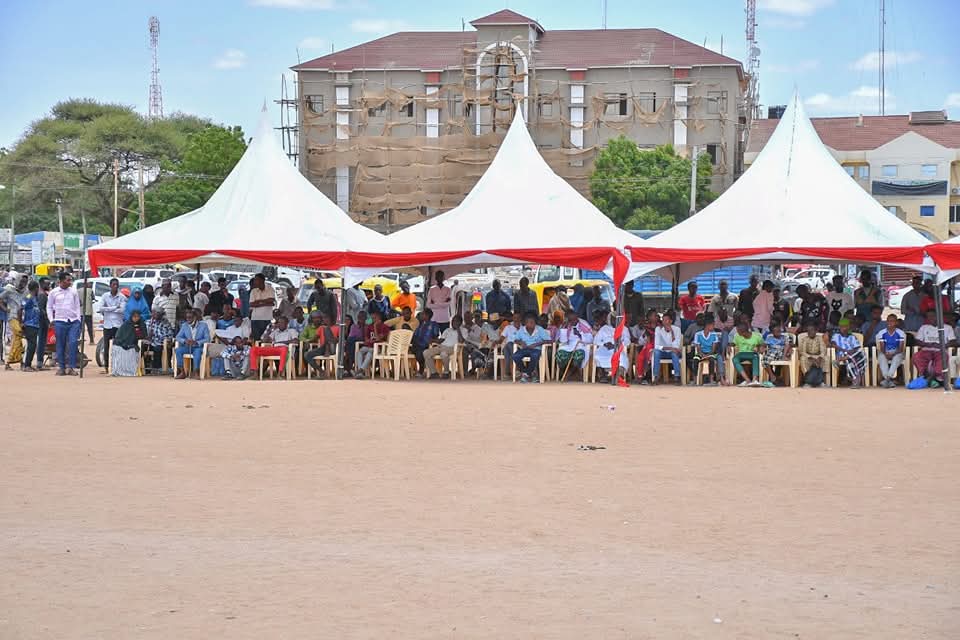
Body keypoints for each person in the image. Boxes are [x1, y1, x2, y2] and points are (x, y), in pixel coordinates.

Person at [47, 272, 82, 376]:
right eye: (68, 280)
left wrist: (78, 319)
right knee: (60, 344)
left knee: (72, 343)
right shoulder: (53, 292)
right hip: (59, 321)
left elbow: (77, 306)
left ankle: (71, 367)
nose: (70, 282)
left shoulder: (73, 292)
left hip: (73, 321)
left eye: (70, 280)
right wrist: (51, 320)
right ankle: (61, 367)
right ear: (61, 281)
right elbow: (49, 307)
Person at [912, 309, 957, 387]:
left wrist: (942, 345)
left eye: (933, 316)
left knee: (943, 357)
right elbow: (917, 341)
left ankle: (936, 378)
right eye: (928, 316)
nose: (930, 318)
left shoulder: (947, 327)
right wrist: (928, 344)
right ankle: (925, 375)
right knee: (917, 356)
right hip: (927, 349)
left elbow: (953, 341)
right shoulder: (924, 327)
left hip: (940, 350)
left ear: (938, 316)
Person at [511, 312, 551, 383]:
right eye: (530, 323)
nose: (533, 324)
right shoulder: (522, 330)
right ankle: (530, 373)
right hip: (525, 349)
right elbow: (515, 339)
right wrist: (521, 342)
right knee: (515, 356)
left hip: (536, 349)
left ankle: (526, 374)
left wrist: (536, 344)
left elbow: (549, 340)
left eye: (533, 322)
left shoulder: (539, 329)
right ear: (526, 323)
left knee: (535, 356)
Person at [422, 313, 464, 379]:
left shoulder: (463, 330)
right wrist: (432, 340)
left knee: (443, 354)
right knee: (426, 352)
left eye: (455, 321)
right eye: (452, 321)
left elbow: (461, 341)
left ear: (460, 322)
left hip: (453, 348)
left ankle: (446, 372)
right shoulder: (447, 330)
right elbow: (440, 340)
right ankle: (434, 373)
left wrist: (458, 329)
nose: (453, 323)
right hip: (441, 346)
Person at [99, 278, 127, 372]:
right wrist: (115, 307)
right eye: (113, 284)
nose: (115, 286)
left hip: (118, 325)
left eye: (116, 285)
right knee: (106, 346)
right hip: (107, 325)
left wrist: (108, 308)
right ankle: (106, 366)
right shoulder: (105, 296)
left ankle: (117, 366)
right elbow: (101, 308)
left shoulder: (122, 297)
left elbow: (122, 310)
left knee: (117, 346)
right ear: (110, 285)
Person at [174, 309, 210, 379]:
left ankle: (196, 372)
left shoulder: (203, 325)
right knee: (178, 350)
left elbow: (207, 338)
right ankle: (182, 372)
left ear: (195, 317)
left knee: (197, 353)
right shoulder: (184, 325)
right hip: (188, 347)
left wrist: (197, 342)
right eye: (187, 318)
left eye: (190, 317)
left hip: (198, 347)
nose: (188, 319)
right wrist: (185, 341)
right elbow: (177, 337)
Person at [593, 312, 629, 384]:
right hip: (605, 348)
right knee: (598, 355)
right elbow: (596, 340)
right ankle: (603, 375)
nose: (614, 321)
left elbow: (627, 341)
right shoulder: (604, 328)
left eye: (616, 319)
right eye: (612, 319)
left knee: (621, 357)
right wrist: (604, 344)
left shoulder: (624, 329)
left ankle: (619, 375)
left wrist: (617, 344)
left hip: (618, 349)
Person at [555, 310, 593, 379]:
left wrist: (580, 334)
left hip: (581, 345)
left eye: (575, 320)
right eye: (571, 320)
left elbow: (590, 339)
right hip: (568, 345)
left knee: (578, 356)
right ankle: (564, 372)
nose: (574, 322)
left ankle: (570, 373)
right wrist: (564, 329)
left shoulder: (583, 324)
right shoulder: (565, 325)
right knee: (560, 355)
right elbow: (563, 341)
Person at [110, 309, 148, 376]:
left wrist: (138, 334)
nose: (136, 318)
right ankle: (121, 370)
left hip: (136, 343)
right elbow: (120, 335)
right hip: (123, 343)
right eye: (134, 317)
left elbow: (144, 335)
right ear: (131, 317)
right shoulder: (126, 324)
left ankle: (131, 370)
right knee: (118, 349)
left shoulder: (142, 324)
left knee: (133, 350)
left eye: (138, 317)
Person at [0, 275, 26, 370]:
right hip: (12, 316)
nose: (22, 284)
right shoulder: (9, 291)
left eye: (24, 282)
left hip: (22, 318)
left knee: (17, 339)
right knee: (18, 333)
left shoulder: (25, 292)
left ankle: (16, 361)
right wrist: (5, 309)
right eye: (21, 281)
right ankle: (14, 361)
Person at [355, 310, 390, 378]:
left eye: (374, 318)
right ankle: (360, 371)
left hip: (378, 348)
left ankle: (360, 371)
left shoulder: (384, 327)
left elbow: (379, 339)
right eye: (372, 318)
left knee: (370, 353)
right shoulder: (369, 326)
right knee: (359, 352)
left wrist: (375, 327)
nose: (373, 320)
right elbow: (366, 338)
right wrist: (369, 340)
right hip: (369, 345)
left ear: (379, 319)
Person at [832, 318, 866, 387]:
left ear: (848, 327)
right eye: (842, 326)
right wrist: (845, 351)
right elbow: (833, 345)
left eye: (845, 326)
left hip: (853, 355)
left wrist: (850, 352)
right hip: (842, 354)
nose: (843, 328)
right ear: (839, 327)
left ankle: (854, 380)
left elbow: (857, 348)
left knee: (860, 352)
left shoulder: (852, 337)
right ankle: (856, 380)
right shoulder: (836, 336)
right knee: (849, 359)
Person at [652, 311, 683, 384]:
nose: (664, 322)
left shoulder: (677, 329)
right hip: (663, 352)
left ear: (671, 321)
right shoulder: (658, 329)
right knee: (656, 352)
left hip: (673, 352)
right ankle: (656, 376)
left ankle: (677, 377)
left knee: (674, 353)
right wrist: (670, 348)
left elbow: (676, 346)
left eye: (666, 320)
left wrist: (671, 332)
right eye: (663, 320)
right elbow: (656, 345)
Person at [876, 314, 907, 388]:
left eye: (893, 321)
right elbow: (882, 347)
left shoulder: (901, 333)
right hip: (885, 351)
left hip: (897, 352)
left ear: (896, 322)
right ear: (886, 322)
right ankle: (888, 380)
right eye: (889, 321)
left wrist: (893, 354)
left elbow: (901, 348)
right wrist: (886, 354)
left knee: (897, 357)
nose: (890, 323)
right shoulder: (882, 333)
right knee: (881, 356)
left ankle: (887, 378)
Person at [731, 320, 764, 387]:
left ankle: (755, 380)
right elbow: (733, 343)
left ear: (742, 332)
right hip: (741, 353)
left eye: (737, 330)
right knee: (735, 359)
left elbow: (763, 344)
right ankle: (747, 380)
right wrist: (729, 346)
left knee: (756, 357)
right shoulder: (737, 336)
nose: (736, 331)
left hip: (752, 353)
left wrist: (759, 347)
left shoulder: (756, 336)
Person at [692, 314, 722, 385]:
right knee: (695, 360)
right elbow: (698, 347)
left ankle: (711, 380)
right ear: (708, 325)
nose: (714, 327)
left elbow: (713, 349)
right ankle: (694, 380)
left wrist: (707, 355)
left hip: (710, 353)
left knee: (711, 360)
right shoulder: (698, 334)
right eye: (713, 325)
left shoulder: (714, 335)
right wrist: (701, 354)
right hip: (701, 353)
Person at [145, 309, 175, 374]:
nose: (155, 315)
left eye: (158, 313)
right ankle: (146, 368)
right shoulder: (147, 322)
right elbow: (143, 335)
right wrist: (147, 336)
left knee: (158, 348)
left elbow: (170, 335)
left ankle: (157, 368)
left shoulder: (166, 323)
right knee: (142, 348)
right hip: (149, 343)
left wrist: (158, 336)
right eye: (154, 313)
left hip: (161, 343)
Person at [20, 281, 41, 372]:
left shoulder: (35, 298)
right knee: (31, 345)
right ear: (36, 288)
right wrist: (21, 322)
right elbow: (20, 309)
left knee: (33, 345)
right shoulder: (28, 297)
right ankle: (26, 365)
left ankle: (28, 364)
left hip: (35, 324)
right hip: (29, 324)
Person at [797, 322, 828, 387]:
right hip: (808, 356)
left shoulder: (820, 338)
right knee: (803, 359)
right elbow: (802, 351)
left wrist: (820, 357)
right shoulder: (805, 339)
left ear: (816, 331)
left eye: (812, 330)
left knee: (826, 358)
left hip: (818, 356)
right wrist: (811, 358)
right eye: (808, 331)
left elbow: (823, 350)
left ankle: (822, 381)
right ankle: (807, 382)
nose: (810, 332)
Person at [634, 309, 660, 384]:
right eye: (654, 316)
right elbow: (647, 339)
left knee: (650, 355)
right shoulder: (646, 326)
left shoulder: (660, 325)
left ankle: (649, 370)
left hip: (658, 345)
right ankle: (640, 376)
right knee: (640, 357)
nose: (656, 317)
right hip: (649, 344)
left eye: (656, 316)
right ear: (649, 317)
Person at [762, 323, 792, 387]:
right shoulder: (769, 337)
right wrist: (762, 349)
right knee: (764, 359)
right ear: (772, 332)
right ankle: (773, 376)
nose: (778, 332)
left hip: (781, 352)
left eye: (779, 331)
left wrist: (786, 354)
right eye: (776, 331)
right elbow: (764, 345)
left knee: (767, 358)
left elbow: (788, 345)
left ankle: (773, 377)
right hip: (771, 352)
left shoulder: (784, 337)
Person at [248, 273, 275, 341]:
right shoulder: (253, 291)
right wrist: (266, 303)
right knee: (256, 339)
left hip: (267, 318)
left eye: (256, 280)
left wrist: (259, 301)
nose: (254, 282)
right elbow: (252, 304)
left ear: (262, 280)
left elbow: (272, 301)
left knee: (265, 339)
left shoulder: (270, 288)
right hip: (255, 318)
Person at [35, 278, 50, 370]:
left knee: (42, 342)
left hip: (42, 321)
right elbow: (41, 310)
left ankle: (40, 362)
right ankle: (39, 363)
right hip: (42, 321)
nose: (48, 286)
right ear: (41, 284)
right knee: (41, 342)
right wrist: (47, 321)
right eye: (47, 284)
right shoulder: (42, 295)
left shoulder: (42, 294)